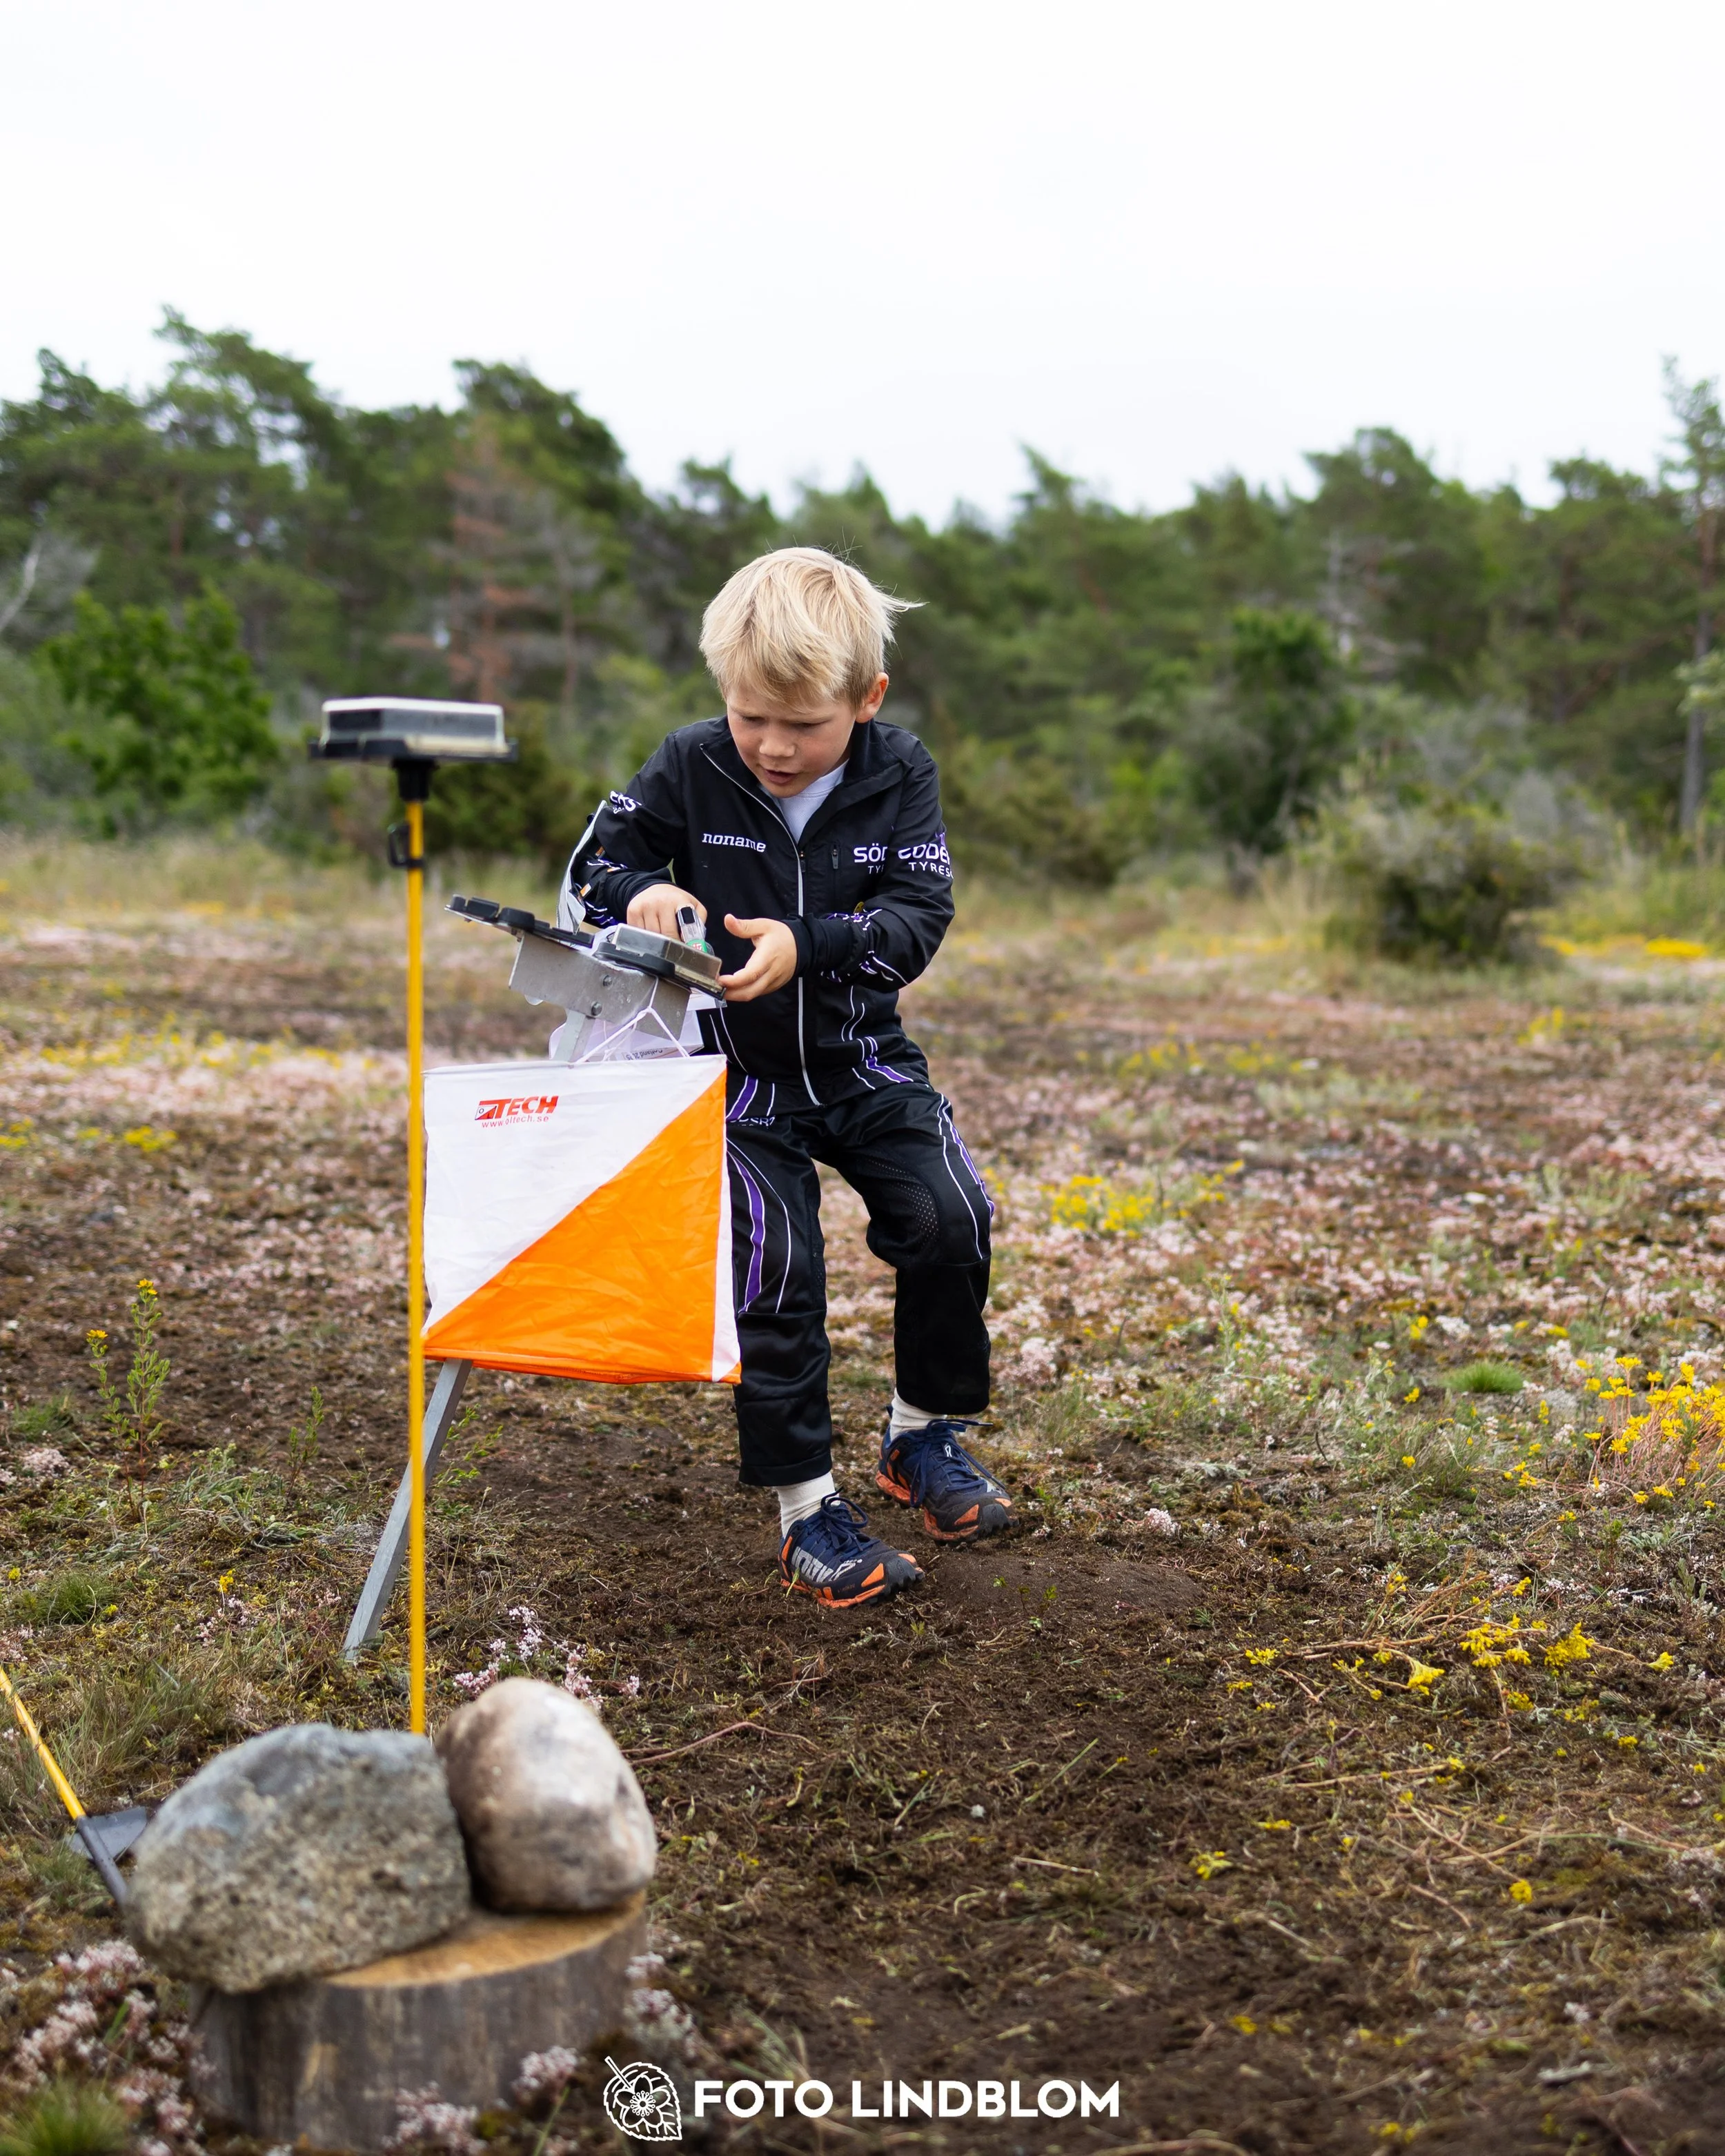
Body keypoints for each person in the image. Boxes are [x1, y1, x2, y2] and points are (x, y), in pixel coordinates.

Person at [562, 547, 1010, 1608]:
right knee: (777, 1264)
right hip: (735, 1076)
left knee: (955, 1218)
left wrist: (808, 943)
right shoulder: (688, 763)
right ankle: (807, 1509)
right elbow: (595, 868)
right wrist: (645, 896)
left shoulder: (901, 774)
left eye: (804, 724)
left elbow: (917, 918)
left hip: (861, 1058)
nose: (772, 745)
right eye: (751, 715)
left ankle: (919, 1440)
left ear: (867, 700)